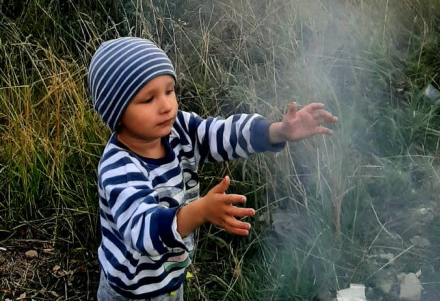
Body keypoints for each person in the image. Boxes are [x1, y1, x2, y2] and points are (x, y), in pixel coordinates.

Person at [88, 37, 338, 301]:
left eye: (169, 90)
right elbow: (144, 231)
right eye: (148, 99)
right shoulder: (120, 167)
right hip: (132, 291)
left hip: (170, 276)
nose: (166, 106)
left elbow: (221, 133)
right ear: (116, 112)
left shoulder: (178, 130)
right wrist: (201, 211)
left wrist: (277, 131)